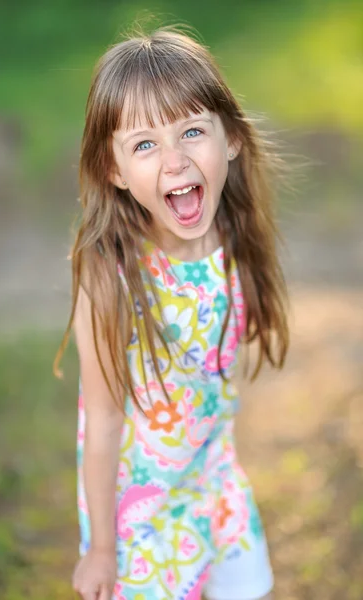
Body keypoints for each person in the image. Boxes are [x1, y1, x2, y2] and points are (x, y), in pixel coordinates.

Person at [55, 25, 289, 600]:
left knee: (248, 588)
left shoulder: (234, 238)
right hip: (141, 508)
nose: (175, 159)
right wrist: (103, 548)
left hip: (213, 479)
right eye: (144, 144)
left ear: (229, 138)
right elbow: (104, 420)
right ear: (113, 170)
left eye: (191, 131)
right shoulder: (110, 278)